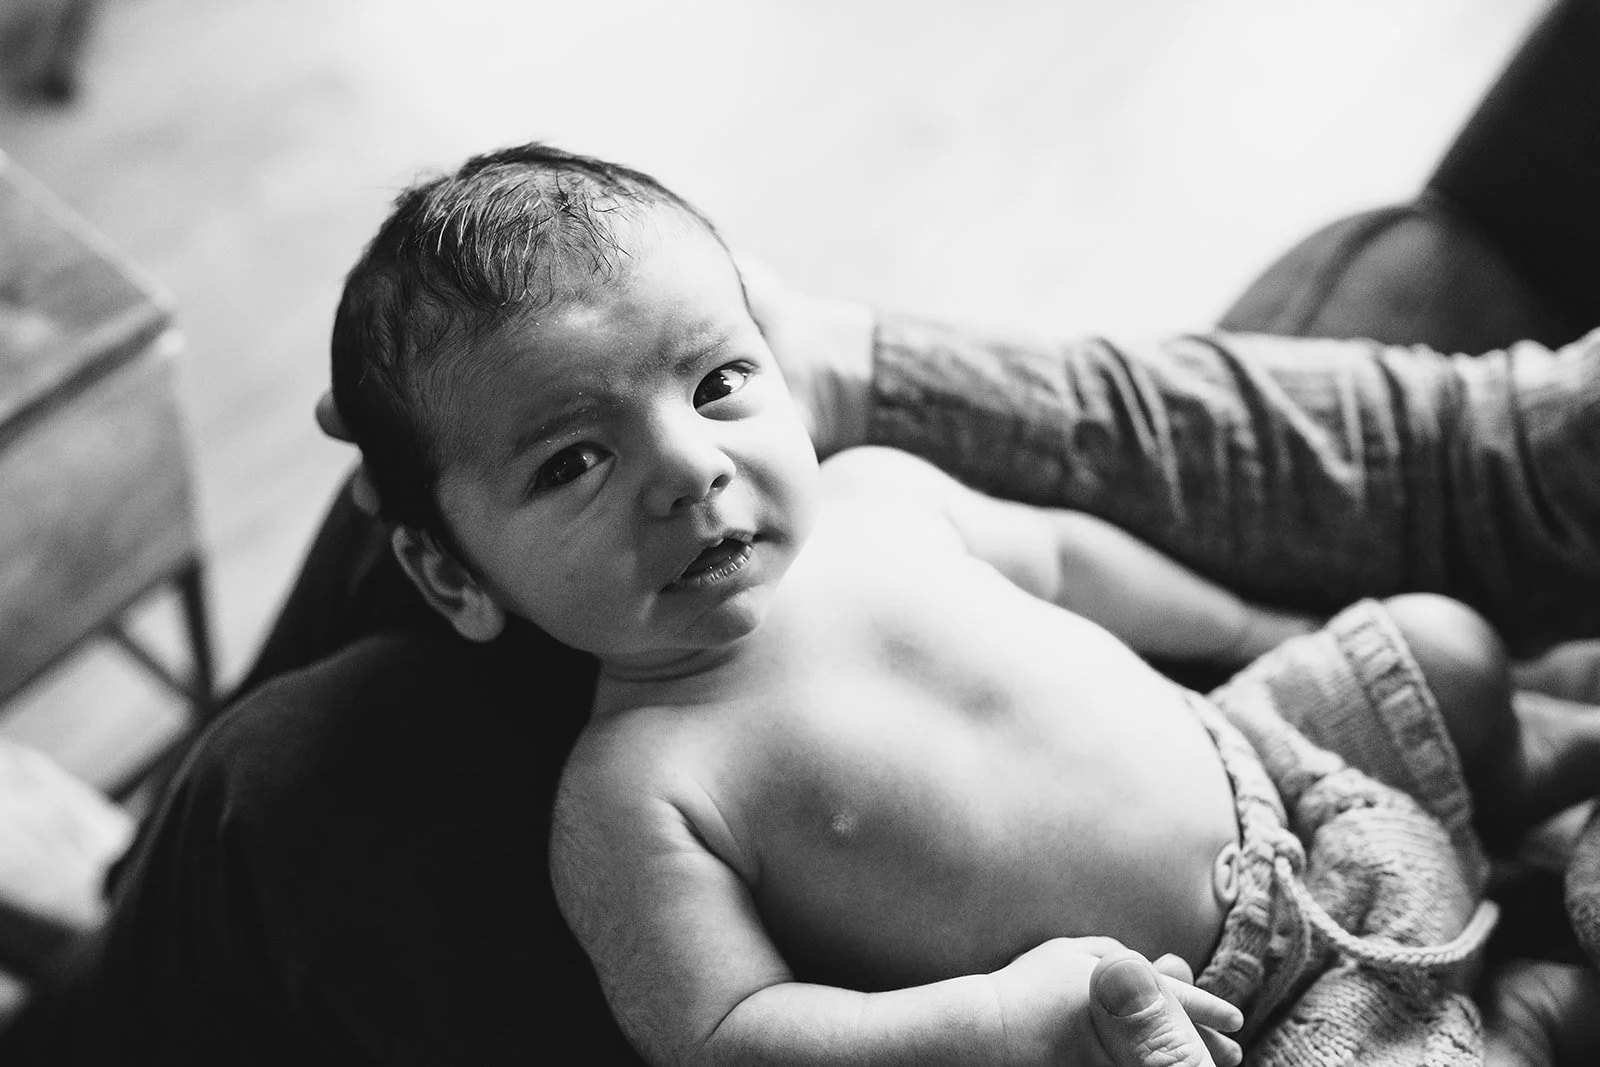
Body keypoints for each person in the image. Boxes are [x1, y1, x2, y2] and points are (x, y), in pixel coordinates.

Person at [328, 142, 1600, 1066]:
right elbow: (730, 1033)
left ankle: (1548, 757)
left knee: (1436, 646)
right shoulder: (635, 793)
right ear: (451, 574)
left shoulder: (877, 495)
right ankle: (1532, 1011)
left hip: (1280, 764)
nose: (690, 468)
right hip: (1212, 1022)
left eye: (716, 383)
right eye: (572, 461)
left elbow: (1064, 556)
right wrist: (990, 1024)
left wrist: (1258, 636)